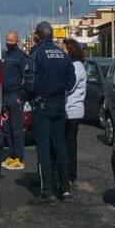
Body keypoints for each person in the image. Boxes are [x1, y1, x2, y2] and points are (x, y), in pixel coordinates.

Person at [24, 22, 76, 205]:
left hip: (42, 107)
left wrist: (29, 96)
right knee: (60, 146)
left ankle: (47, 192)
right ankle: (66, 190)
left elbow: (30, 84)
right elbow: (71, 83)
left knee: (44, 147)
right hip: (59, 106)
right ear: (52, 36)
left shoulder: (36, 55)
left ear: (38, 36)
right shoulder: (63, 55)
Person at [60, 39, 87, 184]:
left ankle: (70, 174)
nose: (61, 52)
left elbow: (69, 87)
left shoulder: (76, 67)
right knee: (69, 143)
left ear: (70, 50)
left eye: (63, 49)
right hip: (70, 110)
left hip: (72, 111)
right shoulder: (74, 66)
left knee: (69, 144)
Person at [1, 31, 27, 170]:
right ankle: (11, 155)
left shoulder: (21, 56)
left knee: (16, 129)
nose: (9, 42)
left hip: (15, 96)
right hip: (3, 97)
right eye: (7, 39)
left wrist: (20, 97)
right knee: (7, 129)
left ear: (16, 41)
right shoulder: (3, 55)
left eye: (12, 40)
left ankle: (19, 157)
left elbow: (27, 78)